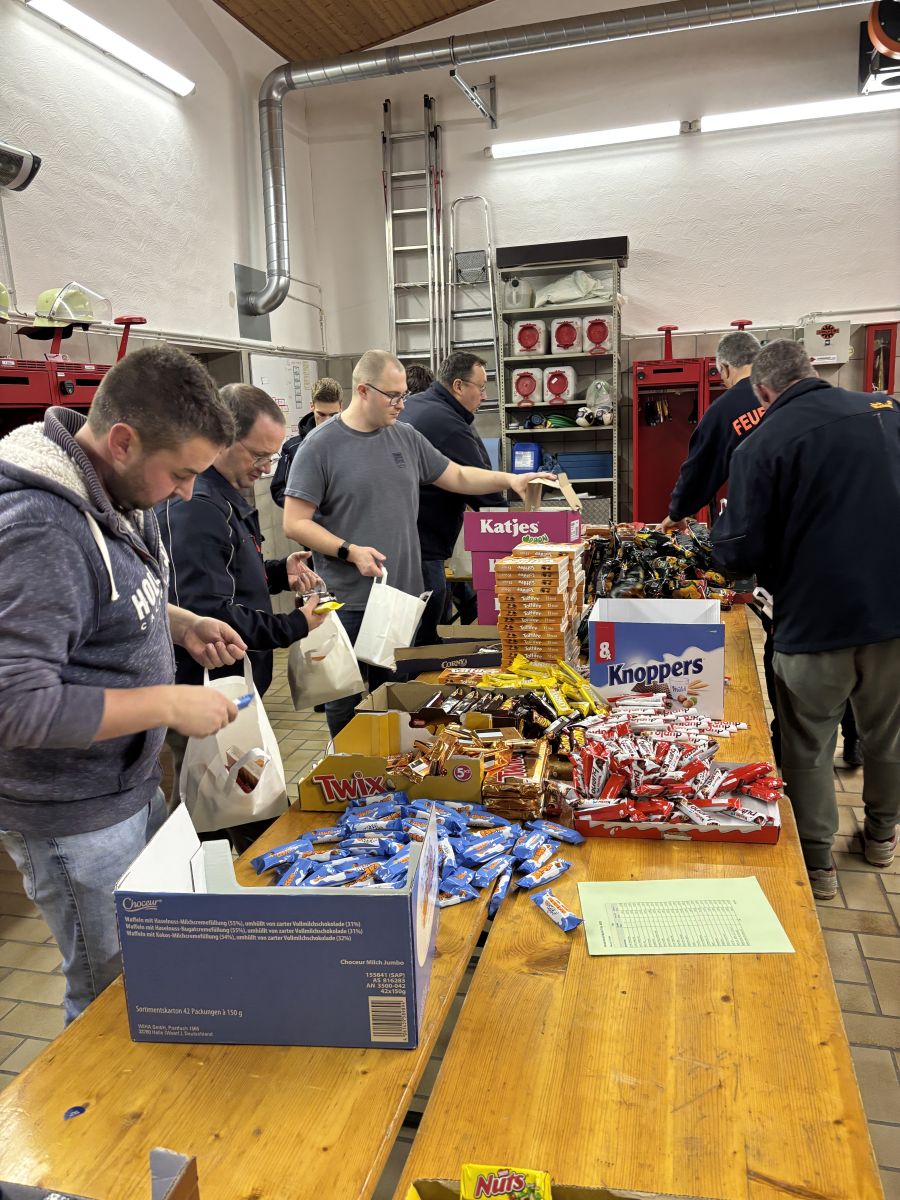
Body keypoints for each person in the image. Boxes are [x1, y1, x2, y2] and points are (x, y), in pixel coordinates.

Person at [0, 345, 248, 1022]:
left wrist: (181, 624)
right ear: (122, 441)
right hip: (75, 815)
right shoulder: (41, 528)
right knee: (110, 995)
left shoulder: (108, 487)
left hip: (129, 786)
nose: (189, 491)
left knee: (155, 967)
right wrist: (168, 702)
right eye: (182, 473)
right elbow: (17, 707)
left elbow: (100, 603)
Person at [712, 339, 900, 900]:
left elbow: (739, 551)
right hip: (893, 616)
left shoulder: (761, 444)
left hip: (814, 626)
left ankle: (818, 863)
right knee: (887, 733)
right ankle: (883, 836)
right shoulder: (887, 413)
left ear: (762, 391)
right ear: (813, 370)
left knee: (806, 743)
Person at [282, 349, 551, 737]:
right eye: (392, 396)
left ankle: (389, 780)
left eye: (404, 394)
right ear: (362, 390)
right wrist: (349, 550)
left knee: (396, 700)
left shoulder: (404, 436)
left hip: (400, 600)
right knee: (347, 702)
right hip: (349, 602)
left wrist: (508, 480)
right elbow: (295, 522)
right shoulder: (320, 446)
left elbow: (456, 476)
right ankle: (347, 774)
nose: (401, 404)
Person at [661, 330, 860, 766]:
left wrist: (677, 515)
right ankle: (855, 737)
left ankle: (787, 735)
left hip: (782, 554)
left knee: (785, 641)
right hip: (850, 548)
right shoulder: (839, 404)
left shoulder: (726, 409)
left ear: (727, 370)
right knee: (852, 651)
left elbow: (699, 473)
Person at [158, 383, 325, 840]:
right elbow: (209, 614)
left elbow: (229, 576)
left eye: (271, 458)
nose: (265, 468)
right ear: (221, 438)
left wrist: (277, 573)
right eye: (258, 456)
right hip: (206, 689)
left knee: (219, 803)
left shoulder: (223, 494)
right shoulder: (198, 507)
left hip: (231, 688)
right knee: (215, 805)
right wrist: (295, 625)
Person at [398, 351, 505, 645]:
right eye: (481, 388)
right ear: (458, 386)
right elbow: (485, 493)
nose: (484, 396)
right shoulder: (445, 422)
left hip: (409, 542)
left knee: (414, 628)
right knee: (426, 631)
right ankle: (412, 685)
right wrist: (521, 535)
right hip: (423, 544)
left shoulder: (424, 405)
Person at [270, 377, 343, 507]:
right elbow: (280, 491)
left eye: (333, 415)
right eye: (321, 414)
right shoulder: (293, 447)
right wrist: (310, 511)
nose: (327, 421)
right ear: (312, 407)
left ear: (341, 408)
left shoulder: (352, 443)